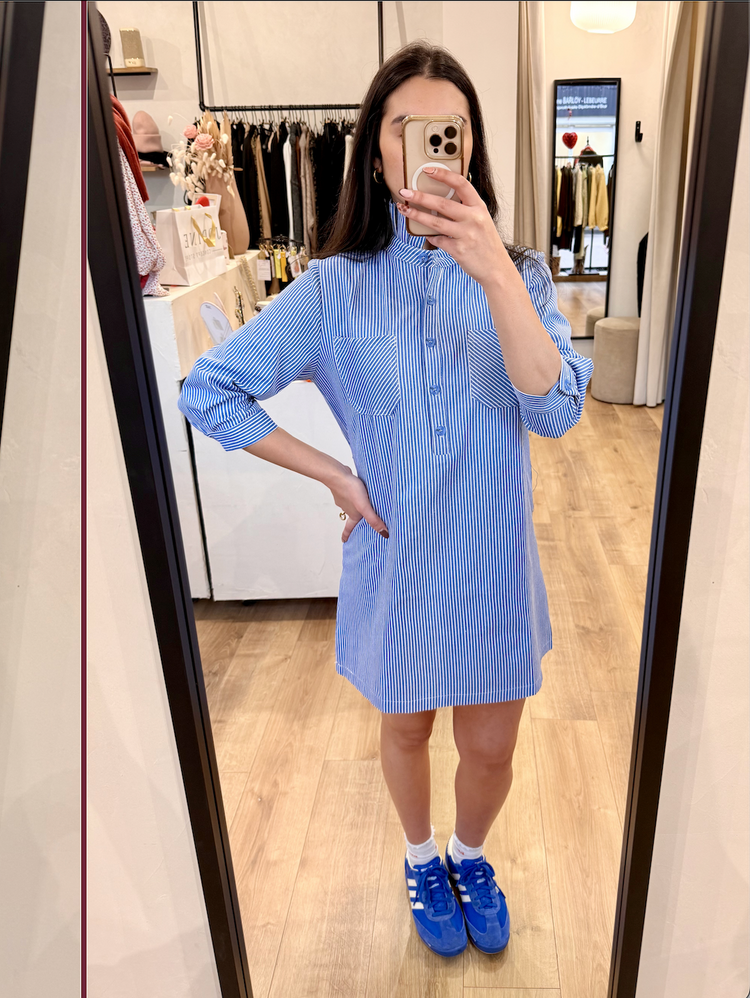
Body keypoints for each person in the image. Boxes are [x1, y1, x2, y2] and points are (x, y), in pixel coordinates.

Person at [177, 42, 592, 959]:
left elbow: (556, 409)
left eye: (454, 129)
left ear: (472, 146)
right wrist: (334, 473)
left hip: (493, 567)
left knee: (491, 748)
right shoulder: (334, 289)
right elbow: (209, 390)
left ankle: (469, 856)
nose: (436, 146)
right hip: (397, 559)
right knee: (405, 731)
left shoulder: (520, 276)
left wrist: (493, 269)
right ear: (377, 152)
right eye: (410, 128)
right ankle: (418, 858)